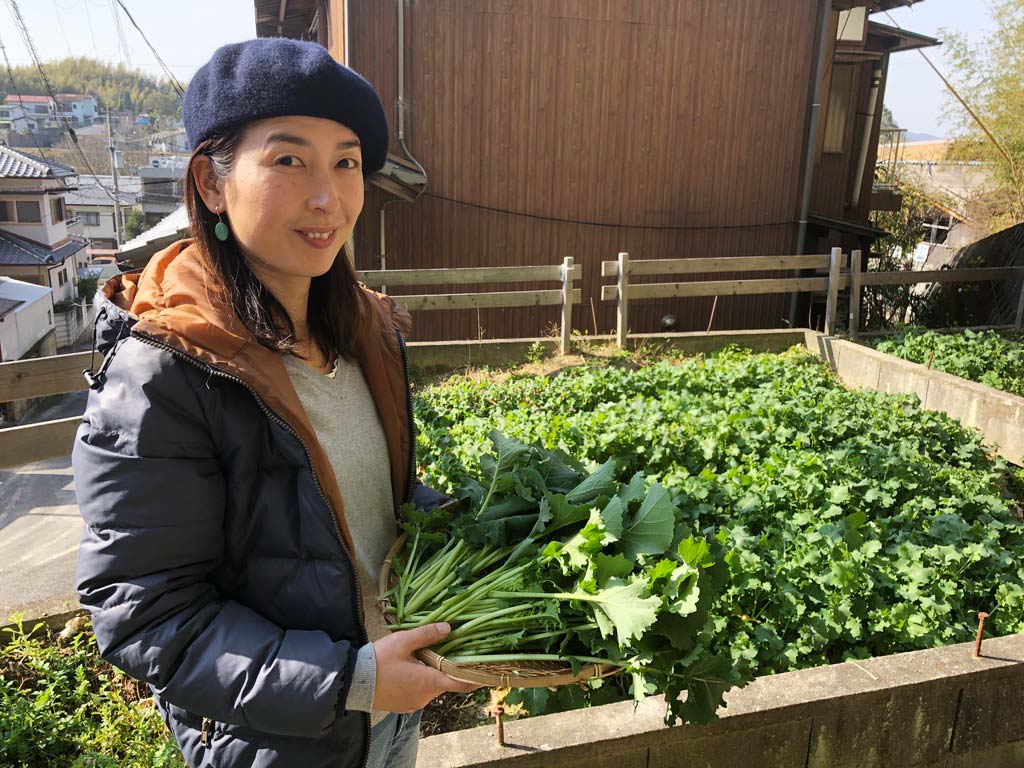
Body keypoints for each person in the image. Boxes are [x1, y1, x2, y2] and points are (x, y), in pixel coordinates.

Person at [71, 37, 475, 768]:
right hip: (277, 743)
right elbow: (147, 616)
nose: (328, 196)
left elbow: (360, 505)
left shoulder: (365, 333)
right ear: (212, 181)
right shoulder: (166, 371)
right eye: (289, 160)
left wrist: (464, 523)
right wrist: (351, 681)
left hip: (390, 716)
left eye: (345, 162)